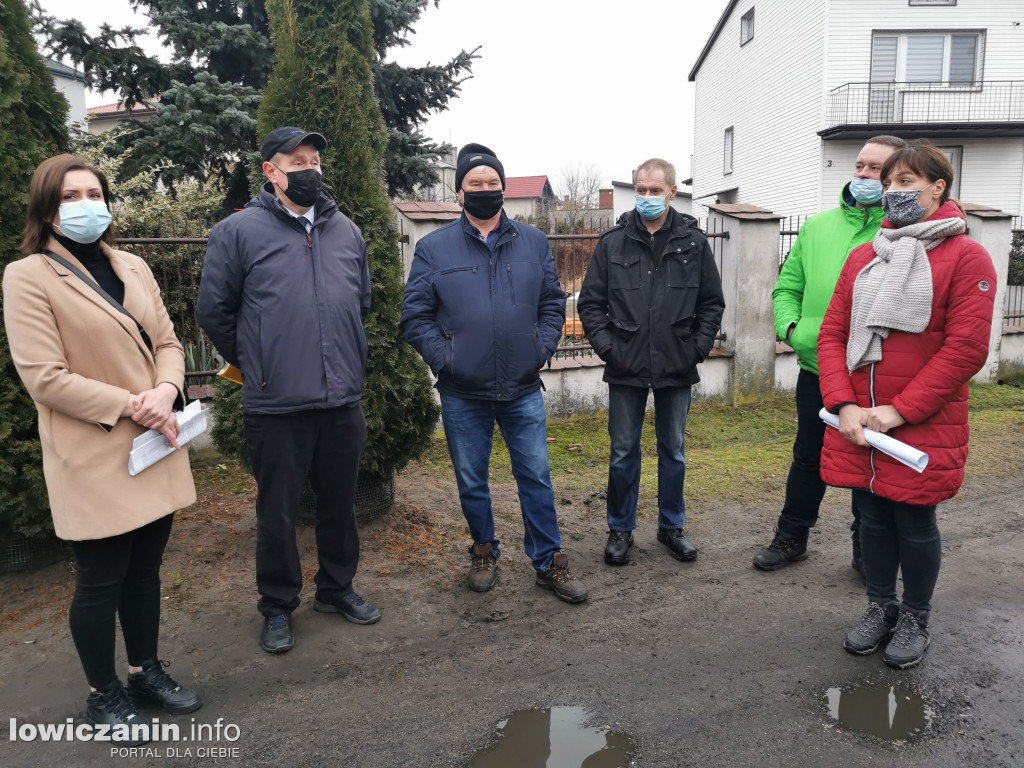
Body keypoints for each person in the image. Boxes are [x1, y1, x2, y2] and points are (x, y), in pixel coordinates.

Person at [3, 155, 202, 743]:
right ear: (47, 208)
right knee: (99, 580)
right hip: (94, 449)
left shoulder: (134, 265)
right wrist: (132, 403)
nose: (86, 203)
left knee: (145, 572)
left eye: (94, 192)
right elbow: (44, 377)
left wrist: (167, 388)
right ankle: (103, 692)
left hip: (154, 443)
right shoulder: (27, 276)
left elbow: (167, 340)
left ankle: (145, 671)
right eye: (71, 196)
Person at [197, 127, 379, 654]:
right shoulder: (236, 234)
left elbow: (359, 302)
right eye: (296, 160)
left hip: (342, 399)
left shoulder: (346, 230)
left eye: (315, 159)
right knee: (276, 512)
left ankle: (337, 588)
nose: (309, 168)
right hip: (275, 403)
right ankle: (277, 606)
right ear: (270, 171)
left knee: (340, 503)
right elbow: (214, 312)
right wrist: (259, 362)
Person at [818, 141, 997, 669]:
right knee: (871, 517)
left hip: (920, 420)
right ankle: (880, 607)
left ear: (938, 187)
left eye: (905, 182)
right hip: (861, 420)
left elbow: (965, 348)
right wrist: (843, 403)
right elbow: (832, 334)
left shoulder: (967, 257)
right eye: (891, 182)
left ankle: (915, 614)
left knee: (915, 522)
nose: (893, 191)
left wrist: (901, 411)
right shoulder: (864, 256)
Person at [400, 142, 587, 603]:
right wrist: (447, 360)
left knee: (537, 477)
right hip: (463, 392)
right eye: (475, 183)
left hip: (522, 388)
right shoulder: (433, 248)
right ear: (460, 192)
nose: (485, 189)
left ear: (503, 189)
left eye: (492, 183)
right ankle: (483, 549)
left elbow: (551, 302)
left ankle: (549, 561)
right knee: (471, 479)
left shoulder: (533, 241)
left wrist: (540, 348)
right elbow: (415, 317)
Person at [753, 136, 907, 574]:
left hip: (874, 374)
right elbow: (787, 287)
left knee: (867, 459)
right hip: (817, 368)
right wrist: (792, 329)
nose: (862, 174)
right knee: (808, 456)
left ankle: (867, 549)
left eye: (875, 168)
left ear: (897, 177)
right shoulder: (817, 227)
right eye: (859, 165)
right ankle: (791, 537)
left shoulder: (901, 233)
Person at [577, 158, 724, 566]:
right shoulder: (613, 242)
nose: (646, 197)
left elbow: (711, 304)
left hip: (676, 364)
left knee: (673, 449)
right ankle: (620, 529)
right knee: (623, 451)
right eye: (640, 189)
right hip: (626, 364)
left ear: (672, 193)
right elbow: (590, 304)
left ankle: (671, 526)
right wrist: (609, 348)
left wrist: (694, 348)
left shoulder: (693, 242)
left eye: (654, 190)